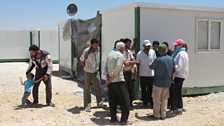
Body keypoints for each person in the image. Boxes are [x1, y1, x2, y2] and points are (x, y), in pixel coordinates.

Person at [105, 41, 131, 125]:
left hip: (111, 83)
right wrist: (111, 79)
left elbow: (106, 67)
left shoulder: (110, 54)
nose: (124, 50)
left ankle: (113, 118)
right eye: (124, 48)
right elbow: (118, 68)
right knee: (125, 102)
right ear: (121, 48)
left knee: (112, 102)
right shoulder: (120, 55)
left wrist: (108, 78)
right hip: (119, 81)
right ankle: (124, 120)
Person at [149, 44, 175, 120]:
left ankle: (156, 115)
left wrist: (150, 64)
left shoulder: (158, 59)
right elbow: (173, 70)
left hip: (158, 82)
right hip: (167, 82)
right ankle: (163, 114)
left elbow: (151, 67)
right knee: (165, 99)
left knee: (157, 99)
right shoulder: (171, 59)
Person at [80, 38, 104, 112]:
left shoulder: (98, 49)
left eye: (97, 45)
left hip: (96, 71)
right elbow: (81, 60)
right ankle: (87, 105)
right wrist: (85, 67)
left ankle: (99, 102)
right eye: (95, 45)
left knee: (98, 87)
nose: (97, 46)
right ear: (91, 44)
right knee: (87, 88)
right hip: (87, 72)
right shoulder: (87, 51)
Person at [168, 39, 189, 116]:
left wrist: (171, 68)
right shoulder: (182, 53)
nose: (175, 46)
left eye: (176, 45)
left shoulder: (180, 54)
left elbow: (178, 67)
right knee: (178, 92)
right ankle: (179, 108)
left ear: (180, 45)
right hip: (181, 75)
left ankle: (174, 109)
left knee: (174, 92)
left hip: (178, 75)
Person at [136, 40, 156, 108]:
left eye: (149, 45)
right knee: (143, 90)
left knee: (151, 90)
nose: (148, 47)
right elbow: (138, 64)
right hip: (143, 74)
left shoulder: (153, 52)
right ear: (144, 46)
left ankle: (151, 102)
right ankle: (145, 103)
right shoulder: (139, 54)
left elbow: (155, 61)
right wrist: (138, 72)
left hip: (151, 74)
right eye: (147, 46)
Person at [123, 38, 136, 108]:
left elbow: (134, 61)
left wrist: (130, 62)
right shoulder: (122, 52)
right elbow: (125, 63)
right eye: (128, 44)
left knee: (131, 88)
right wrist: (130, 62)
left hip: (130, 72)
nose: (130, 45)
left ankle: (130, 103)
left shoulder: (129, 51)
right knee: (125, 89)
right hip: (124, 73)